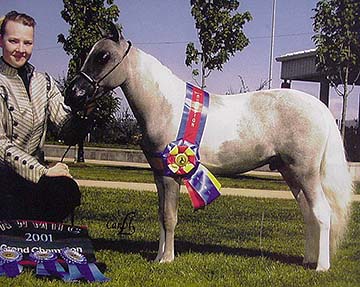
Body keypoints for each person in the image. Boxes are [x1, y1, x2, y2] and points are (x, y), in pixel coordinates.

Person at [0, 11, 93, 222]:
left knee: (67, 190)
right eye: (13, 41)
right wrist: (43, 171)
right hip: (4, 174)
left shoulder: (45, 82)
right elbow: (1, 146)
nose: (21, 50)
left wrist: (84, 113)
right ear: (1, 40)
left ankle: (41, 238)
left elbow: (65, 129)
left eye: (28, 43)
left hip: (35, 176)